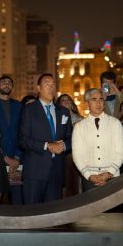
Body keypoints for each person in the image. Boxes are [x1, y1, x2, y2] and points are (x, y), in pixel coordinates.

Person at [19, 73, 72, 204]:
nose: (51, 87)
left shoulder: (63, 112)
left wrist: (64, 146)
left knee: (53, 215)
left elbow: (71, 138)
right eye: (46, 84)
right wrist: (47, 145)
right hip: (35, 171)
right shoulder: (29, 110)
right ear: (38, 88)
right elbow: (22, 139)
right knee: (32, 214)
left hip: (57, 171)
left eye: (53, 84)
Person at [72, 88, 123, 191]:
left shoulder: (115, 123)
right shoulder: (79, 126)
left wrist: (109, 173)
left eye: (101, 99)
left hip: (112, 177)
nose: (99, 103)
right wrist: (89, 175)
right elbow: (77, 155)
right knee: (90, 207)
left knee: (114, 207)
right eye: (94, 99)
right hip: (89, 179)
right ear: (87, 103)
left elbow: (121, 152)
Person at [0, 76, 24, 204]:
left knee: (17, 195)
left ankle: (19, 223)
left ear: (12, 87)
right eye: (3, 83)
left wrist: (17, 158)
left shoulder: (19, 106)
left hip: (17, 159)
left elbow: (22, 132)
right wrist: (5, 158)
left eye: (9, 83)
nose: (6, 85)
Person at [58, 93, 84, 198]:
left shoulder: (81, 120)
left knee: (76, 183)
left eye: (68, 100)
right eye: (63, 100)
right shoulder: (56, 119)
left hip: (77, 156)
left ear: (72, 104)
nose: (66, 101)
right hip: (62, 155)